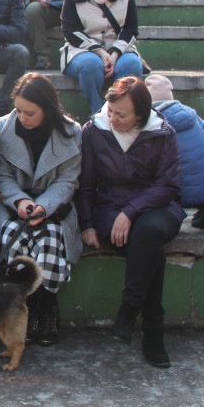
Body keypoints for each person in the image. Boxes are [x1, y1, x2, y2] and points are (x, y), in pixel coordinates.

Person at [78, 76, 182, 367]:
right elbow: (85, 184)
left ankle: (129, 308)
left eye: (121, 115)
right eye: (110, 111)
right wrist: (86, 223)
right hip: (110, 207)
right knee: (150, 250)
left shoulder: (162, 133)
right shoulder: (94, 131)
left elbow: (168, 185)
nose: (113, 119)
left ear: (141, 115)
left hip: (158, 206)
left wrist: (131, 211)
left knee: (148, 231)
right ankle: (153, 331)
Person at [0, 72, 82, 346]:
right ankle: (26, 305)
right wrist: (20, 201)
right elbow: (3, 177)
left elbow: (68, 180)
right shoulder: (3, 127)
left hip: (53, 205)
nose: (23, 117)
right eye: (18, 110)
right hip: (13, 203)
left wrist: (43, 205)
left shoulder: (71, 131)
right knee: (15, 238)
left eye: (30, 112)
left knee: (51, 238)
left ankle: (48, 304)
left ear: (48, 108)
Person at [144, 74, 204, 229]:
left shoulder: (148, 122)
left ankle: (175, 213)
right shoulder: (193, 116)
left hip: (175, 187)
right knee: (199, 174)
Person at [61, 0, 142, 116]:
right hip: (83, 49)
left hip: (119, 48)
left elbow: (131, 28)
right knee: (90, 66)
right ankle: (99, 115)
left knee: (131, 65)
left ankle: (123, 113)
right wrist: (99, 51)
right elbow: (70, 30)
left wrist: (114, 54)